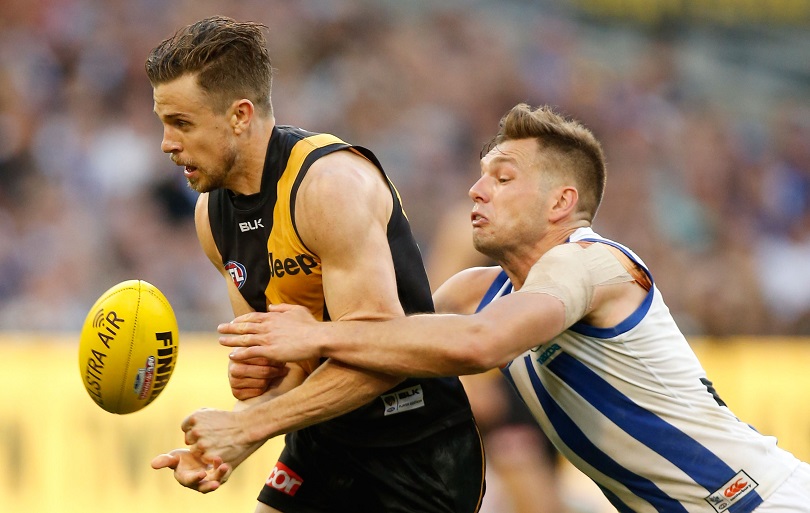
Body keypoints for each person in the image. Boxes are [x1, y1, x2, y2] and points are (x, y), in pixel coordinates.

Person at [218, 103, 810, 512]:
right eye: (480, 176)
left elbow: (480, 345)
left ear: (562, 202)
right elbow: (379, 350)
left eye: (502, 178)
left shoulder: (593, 263)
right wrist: (258, 407)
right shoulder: (481, 291)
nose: (477, 190)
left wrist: (315, 339)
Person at [144, 16, 485, 513]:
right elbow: (290, 371)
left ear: (240, 115)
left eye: (182, 123)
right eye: (164, 123)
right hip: (322, 441)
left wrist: (247, 425)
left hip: (415, 445)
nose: (167, 143)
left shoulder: (327, 186)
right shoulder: (210, 216)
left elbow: (383, 356)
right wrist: (233, 434)